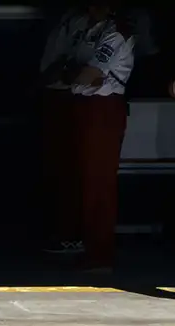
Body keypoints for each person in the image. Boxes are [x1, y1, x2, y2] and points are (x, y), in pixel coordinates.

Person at [66, 4, 135, 271]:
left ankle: (100, 252)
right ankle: (90, 247)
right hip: (86, 107)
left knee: (99, 182)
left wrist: (75, 73)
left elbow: (89, 74)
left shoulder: (116, 33)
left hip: (103, 109)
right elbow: (70, 68)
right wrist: (74, 73)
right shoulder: (93, 30)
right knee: (85, 180)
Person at [38, 7, 91, 254]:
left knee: (70, 169)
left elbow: (70, 64)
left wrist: (52, 75)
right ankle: (61, 231)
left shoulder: (87, 23)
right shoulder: (64, 19)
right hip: (54, 96)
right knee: (56, 168)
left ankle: (71, 234)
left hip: (69, 96)